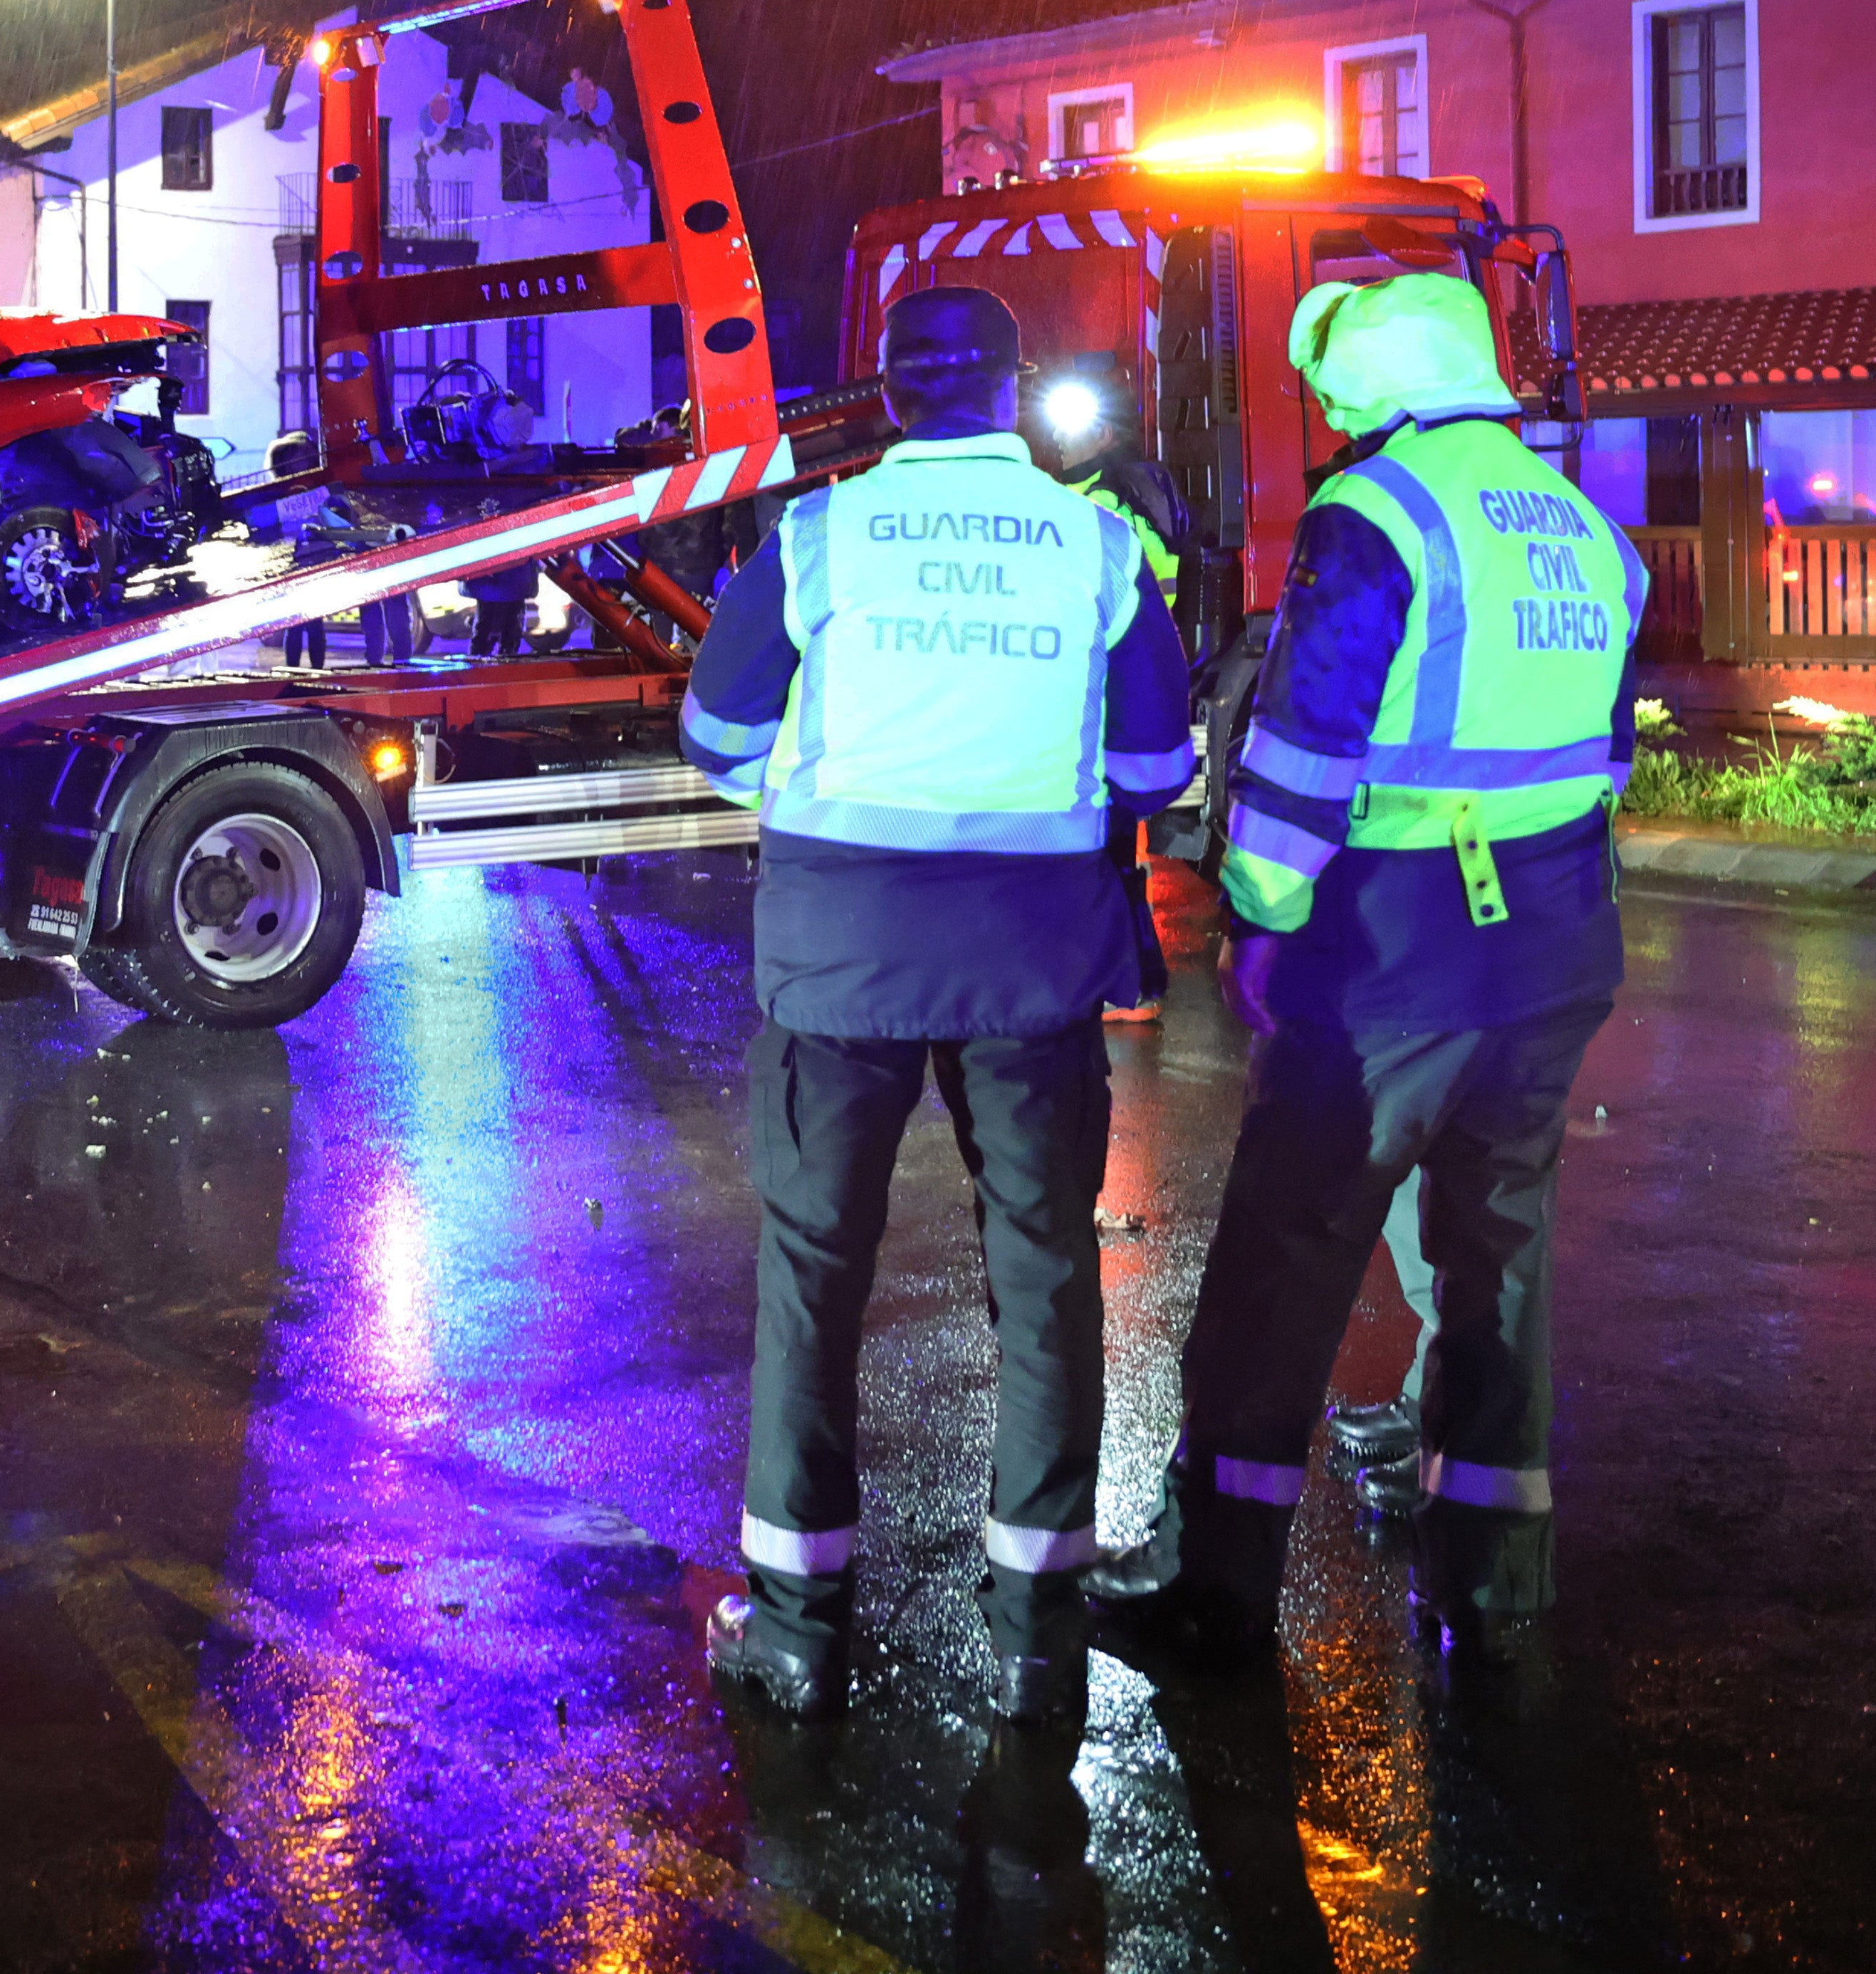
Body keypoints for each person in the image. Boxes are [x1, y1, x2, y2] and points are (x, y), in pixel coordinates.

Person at [1088, 271, 1644, 1669]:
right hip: (1560, 930)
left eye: (1337, 397)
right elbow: (1604, 758)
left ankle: (1211, 1583)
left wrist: (1260, 916)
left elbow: (1300, 758)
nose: (1331, 424)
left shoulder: (1378, 513)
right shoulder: (1582, 523)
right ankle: (1496, 1569)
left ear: (1375, 391)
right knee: (1497, 1261)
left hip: (1400, 939)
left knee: (1285, 1262)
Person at [679, 286, 1198, 1726]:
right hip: (1031, 958)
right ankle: (1037, 1630)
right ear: (1013, 389)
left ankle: (793, 1624)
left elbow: (718, 738)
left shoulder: (819, 534)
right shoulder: (1096, 545)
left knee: (813, 1270)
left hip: (841, 948)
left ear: (890, 392)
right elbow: (1159, 766)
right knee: (1041, 1271)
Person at [1043, 370, 1192, 1025]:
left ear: (1105, 431)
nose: (1057, 436)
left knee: (1101, 853)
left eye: (1071, 424)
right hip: (1103, 693)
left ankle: (1129, 985)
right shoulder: (1095, 496)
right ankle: (1130, 982)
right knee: (1107, 850)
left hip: (1094, 697)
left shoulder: (1106, 504)